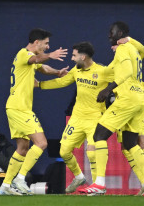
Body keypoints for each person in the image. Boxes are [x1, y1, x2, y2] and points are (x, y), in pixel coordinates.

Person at [79, 21, 144, 196]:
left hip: (128, 98)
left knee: (99, 135)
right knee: (131, 144)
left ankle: (99, 183)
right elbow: (143, 51)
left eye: (112, 32)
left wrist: (108, 89)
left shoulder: (123, 50)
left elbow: (126, 73)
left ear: (120, 33)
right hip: (139, 99)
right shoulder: (132, 49)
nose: (109, 35)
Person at [0, 28, 68, 195]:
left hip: (14, 108)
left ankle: (5, 186)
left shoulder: (28, 58)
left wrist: (57, 72)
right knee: (42, 143)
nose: (48, 47)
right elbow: (37, 59)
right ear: (37, 42)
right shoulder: (24, 54)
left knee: (22, 148)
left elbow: (42, 68)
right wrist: (50, 55)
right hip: (20, 108)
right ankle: (20, 179)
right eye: (46, 44)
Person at [37, 42, 114, 193]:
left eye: (74, 55)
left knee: (92, 153)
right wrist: (39, 85)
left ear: (83, 57)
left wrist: (110, 91)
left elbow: (123, 79)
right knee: (64, 152)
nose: (72, 59)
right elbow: (61, 82)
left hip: (95, 119)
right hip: (77, 118)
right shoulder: (76, 71)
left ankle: (97, 187)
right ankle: (79, 176)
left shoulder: (103, 71)